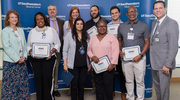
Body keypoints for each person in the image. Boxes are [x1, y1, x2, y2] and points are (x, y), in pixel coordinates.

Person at [118, 6, 150, 100]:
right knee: (128, 81)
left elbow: (147, 42)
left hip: (139, 58)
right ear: (127, 14)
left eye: (133, 11)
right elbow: (119, 40)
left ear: (137, 12)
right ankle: (130, 97)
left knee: (140, 81)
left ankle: (140, 98)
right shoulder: (122, 26)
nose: (131, 13)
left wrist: (140, 55)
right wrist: (120, 51)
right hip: (126, 59)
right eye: (129, 12)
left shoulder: (144, 25)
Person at [27, 12, 60, 100]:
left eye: (41, 18)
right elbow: (28, 46)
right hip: (35, 61)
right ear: (36, 21)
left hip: (49, 59)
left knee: (47, 81)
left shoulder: (51, 30)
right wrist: (31, 52)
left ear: (45, 19)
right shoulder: (32, 32)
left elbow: (57, 44)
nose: (40, 21)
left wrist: (52, 51)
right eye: (38, 19)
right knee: (38, 81)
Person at [150, 1, 179, 100]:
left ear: (165, 9)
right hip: (155, 63)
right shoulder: (154, 23)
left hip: (164, 65)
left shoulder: (171, 23)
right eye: (156, 8)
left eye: (160, 8)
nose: (158, 10)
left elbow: (173, 46)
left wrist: (167, 64)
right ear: (153, 11)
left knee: (164, 90)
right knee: (158, 89)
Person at [1, 10, 30, 100]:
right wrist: (17, 59)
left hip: (22, 61)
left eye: (16, 17)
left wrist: (24, 56)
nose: (14, 19)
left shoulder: (20, 30)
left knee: (21, 84)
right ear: (8, 19)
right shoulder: (5, 31)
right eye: (12, 17)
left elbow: (25, 45)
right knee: (10, 85)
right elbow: (7, 47)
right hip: (11, 63)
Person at [88, 19, 119, 100]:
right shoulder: (93, 38)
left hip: (108, 67)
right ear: (97, 28)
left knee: (108, 87)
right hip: (97, 67)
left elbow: (116, 51)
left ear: (107, 27)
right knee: (98, 87)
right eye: (100, 26)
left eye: (104, 26)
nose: (102, 28)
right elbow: (89, 51)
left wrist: (113, 64)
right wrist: (92, 56)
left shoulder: (112, 38)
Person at [84, 5, 108, 95]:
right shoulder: (87, 23)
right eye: (91, 11)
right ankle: (95, 87)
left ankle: (106, 89)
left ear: (98, 10)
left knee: (105, 70)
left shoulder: (105, 21)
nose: (93, 12)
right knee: (93, 69)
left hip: (104, 49)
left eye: (95, 10)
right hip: (92, 49)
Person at [63, 18, 89, 100]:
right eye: (77, 24)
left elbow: (90, 50)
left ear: (83, 25)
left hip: (84, 64)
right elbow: (65, 50)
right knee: (74, 84)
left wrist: (90, 63)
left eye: (81, 24)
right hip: (73, 64)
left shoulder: (87, 35)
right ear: (75, 25)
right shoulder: (69, 35)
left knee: (81, 84)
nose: (79, 25)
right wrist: (65, 64)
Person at [108, 6, 127, 100]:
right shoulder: (108, 26)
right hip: (110, 54)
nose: (114, 15)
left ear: (119, 13)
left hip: (121, 53)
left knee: (122, 74)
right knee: (110, 73)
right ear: (110, 15)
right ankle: (111, 91)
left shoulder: (125, 25)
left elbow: (127, 40)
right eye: (112, 13)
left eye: (116, 13)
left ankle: (123, 92)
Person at [47, 4, 64, 97]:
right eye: (50, 10)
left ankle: (55, 89)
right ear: (48, 12)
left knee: (56, 70)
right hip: (46, 51)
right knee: (47, 70)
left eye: (53, 9)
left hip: (57, 49)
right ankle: (48, 88)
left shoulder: (61, 22)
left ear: (56, 11)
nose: (52, 11)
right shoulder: (43, 21)